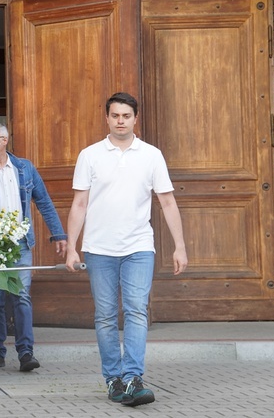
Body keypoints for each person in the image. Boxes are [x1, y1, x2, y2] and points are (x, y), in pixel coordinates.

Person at [65, 92, 188, 407]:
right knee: (105, 316)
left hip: (138, 246)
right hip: (99, 249)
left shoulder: (151, 155)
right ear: (107, 118)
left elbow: (167, 201)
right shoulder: (90, 155)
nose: (120, 121)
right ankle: (113, 380)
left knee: (136, 310)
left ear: (135, 118)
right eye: (115, 115)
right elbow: (79, 203)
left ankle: (134, 377)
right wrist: (72, 248)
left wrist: (180, 246)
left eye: (126, 116)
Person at [0, 123, 68, 372]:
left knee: (22, 297)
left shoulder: (24, 168)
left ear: (4, 140)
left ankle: (26, 353)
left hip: (20, 244)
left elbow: (44, 201)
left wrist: (58, 234)